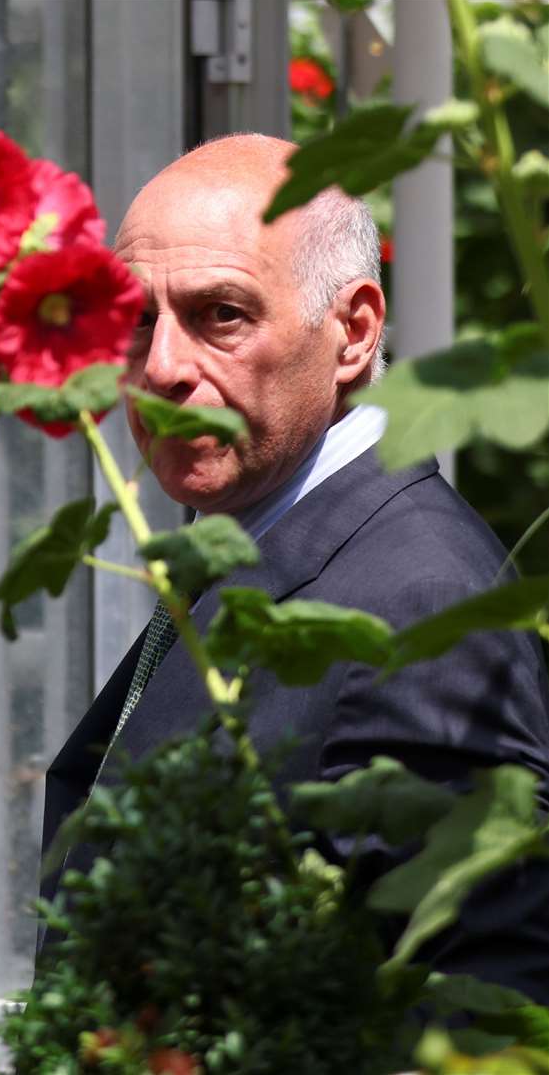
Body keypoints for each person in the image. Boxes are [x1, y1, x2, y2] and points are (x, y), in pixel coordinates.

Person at [40, 134, 549, 996]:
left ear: (352, 333)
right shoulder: (258, 541)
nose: (161, 367)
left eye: (220, 315)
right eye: (134, 318)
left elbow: (482, 1007)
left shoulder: (417, 607)